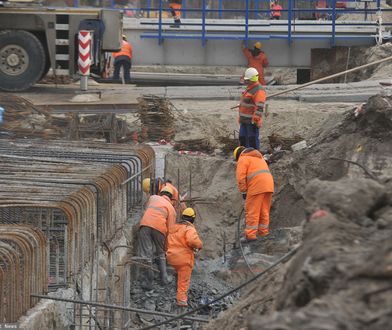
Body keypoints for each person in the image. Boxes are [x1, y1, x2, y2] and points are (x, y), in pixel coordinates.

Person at [137, 186, 177, 288]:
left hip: (145, 225)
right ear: (171, 197)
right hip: (160, 229)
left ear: (161, 193)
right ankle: (164, 278)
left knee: (146, 253)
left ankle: (149, 280)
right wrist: (166, 247)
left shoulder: (153, 198)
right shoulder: (171, 208)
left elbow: (146, 211)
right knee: (161, 253)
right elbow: (171, 230)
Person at [233, 146, 274, 242]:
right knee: (264, 210)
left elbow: (241, 178)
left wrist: (243, 191)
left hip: (256, 186)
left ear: (238, 155)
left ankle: (250, 235)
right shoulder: (259, 158)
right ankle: (263, 233)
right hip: (268, 185)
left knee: (252, 210)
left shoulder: (243, 158)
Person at [166, 208, 203, 307]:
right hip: (183, 259)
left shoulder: (174, 227)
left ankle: (174, 292)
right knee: (184, 280)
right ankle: (181, 301)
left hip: (171, 257)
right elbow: (192, 240)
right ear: (193, 219)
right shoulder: (189, 229)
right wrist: (199, 245)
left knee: (178, 274)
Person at [238, 67, 267, 150]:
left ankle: (254, 158)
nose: (245, 81)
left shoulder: (258, 90)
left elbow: (259, 107)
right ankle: (243, 156)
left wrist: (255, 120)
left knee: (252, 141)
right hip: (244, 121)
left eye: (247, 80)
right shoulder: (249, 88)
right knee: (242, 139)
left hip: (252, 122)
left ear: (252, 79)